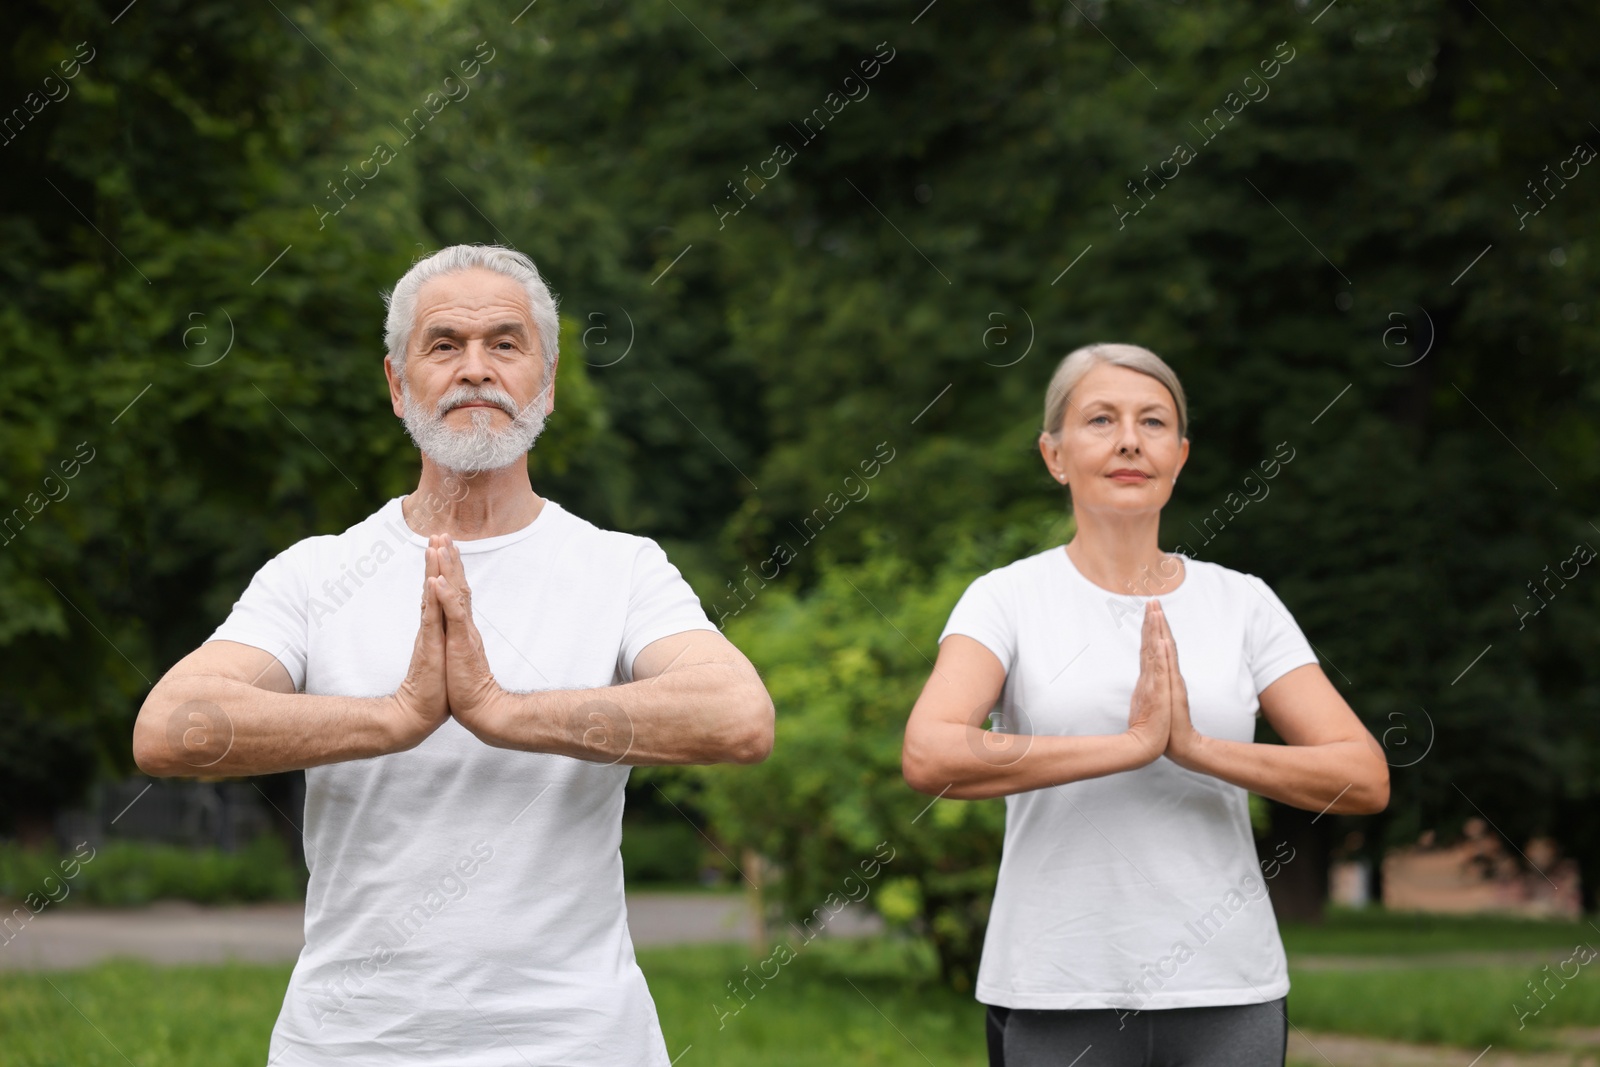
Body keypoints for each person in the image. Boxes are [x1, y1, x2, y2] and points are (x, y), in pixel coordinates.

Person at [132, 244, 775, 1065]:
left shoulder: (622, 567)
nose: (476, 368)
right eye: (444, 345)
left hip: (578, 1042)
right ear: (399, 384)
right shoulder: (316, 572)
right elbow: (168, 728)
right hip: (351, 1043)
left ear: (546, 380)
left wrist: (503, 712)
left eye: (505, 344)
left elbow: (739, 716)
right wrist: (397, 716)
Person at [900, 343, 1388, 1067]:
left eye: (1153, 422)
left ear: (1180, 455)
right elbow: (930, 752)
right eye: (1100, 419)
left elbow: (1365, 775)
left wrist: (1196, 747)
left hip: (1227, 989)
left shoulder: (1243, 603)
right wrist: (1129, 745)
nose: (1130, 438)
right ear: (1054, 454)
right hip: (1057, 987)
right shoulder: (1005, 598)